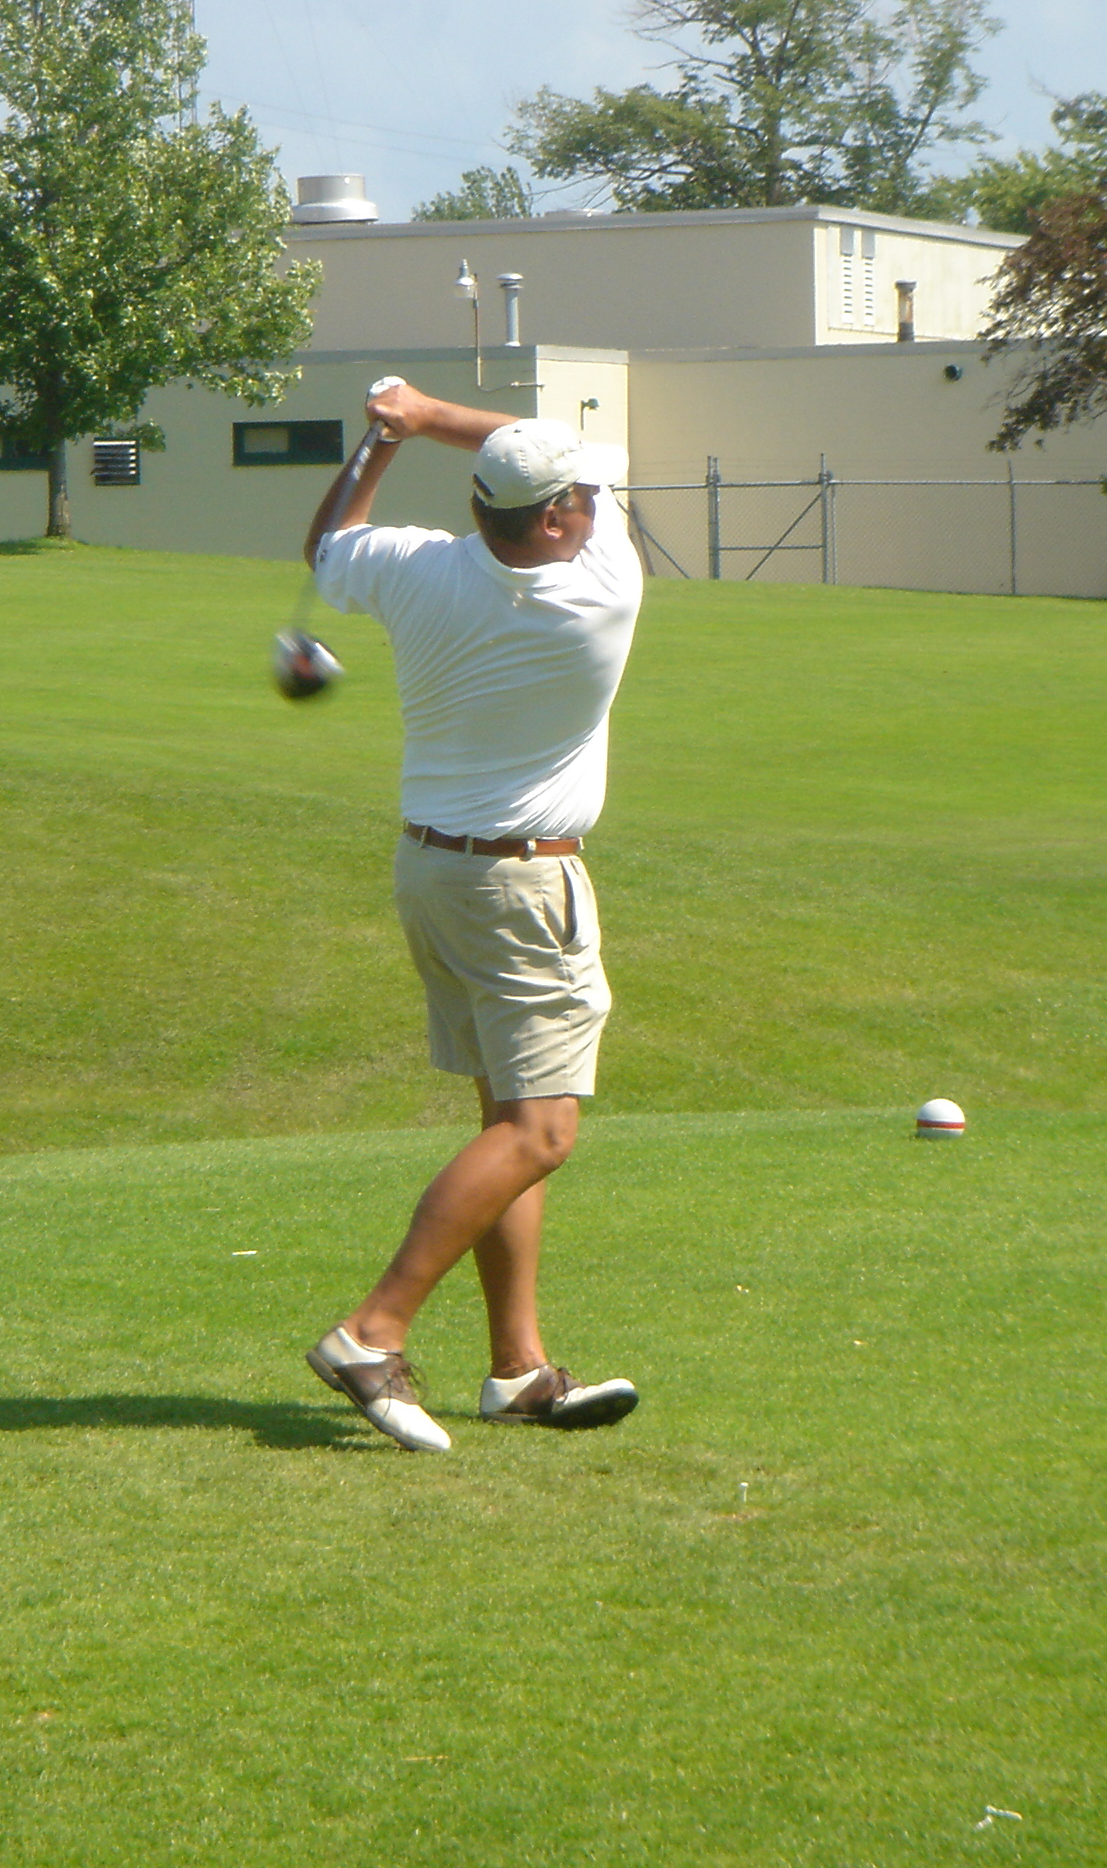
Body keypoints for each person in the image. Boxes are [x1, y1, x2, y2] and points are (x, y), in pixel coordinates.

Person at [295, 381, 645, 1453]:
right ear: (553, 520)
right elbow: (518, 444)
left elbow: (328, 541)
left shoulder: (417, 568)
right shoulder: (601, 582)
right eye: (580, 494)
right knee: (543, 1132)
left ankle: (519, 1367)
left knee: (506, 1122)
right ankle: (371, 1329)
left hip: (433, 876)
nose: (593, 502)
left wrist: (380, 435)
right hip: (523, 889)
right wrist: (427, 408)